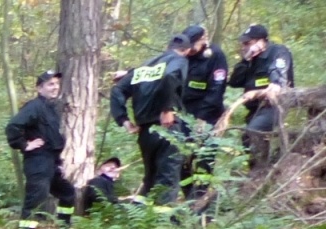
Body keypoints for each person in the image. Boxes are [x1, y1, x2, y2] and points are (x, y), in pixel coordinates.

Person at [110, 34, 193, 207]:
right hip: (167, 128)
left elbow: (117, 90)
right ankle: (162, 219)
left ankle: (141, 218)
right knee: (167, 180)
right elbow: (170, 76)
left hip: (146, 133)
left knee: (150, 179)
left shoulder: (145, 66)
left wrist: (124, 120)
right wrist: (167, 109)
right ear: (186, 51)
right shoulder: (179, 60)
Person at [5, 70, 76, 229]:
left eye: (56, 84)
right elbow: (13, 126)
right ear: (39, 88)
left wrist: (58, 163)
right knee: (35, 202)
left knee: (68, 194)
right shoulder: (34, 106)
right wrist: (24, 144)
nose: (55, 87)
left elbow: (53, 138)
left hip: (52, 162)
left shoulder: (51, 108)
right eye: (50, 84)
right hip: (38, 162)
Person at [219, 25, 293, 173]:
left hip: (273, 105)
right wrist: (245, 60)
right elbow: (235, 81)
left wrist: (275, 83)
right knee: (247, 138)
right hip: (254, 108)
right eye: (243, 44)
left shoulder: (278, 52)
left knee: (255, 130)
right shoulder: (251, 59)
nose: (244, 47)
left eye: (248, 43)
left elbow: (278, 72)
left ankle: (261, 172)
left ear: (261, 42)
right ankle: (257, 172)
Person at [180, 25, 228, 204]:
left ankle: (200, 199)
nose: (189, 51)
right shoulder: (183, 55)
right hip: (185, 114)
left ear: (203, 40)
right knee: (182, 157)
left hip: (208, 115)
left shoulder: (215, 56)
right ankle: (189, 198)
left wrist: (203, 118)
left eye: (192, 46)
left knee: (205, 158)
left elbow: (216, 90)